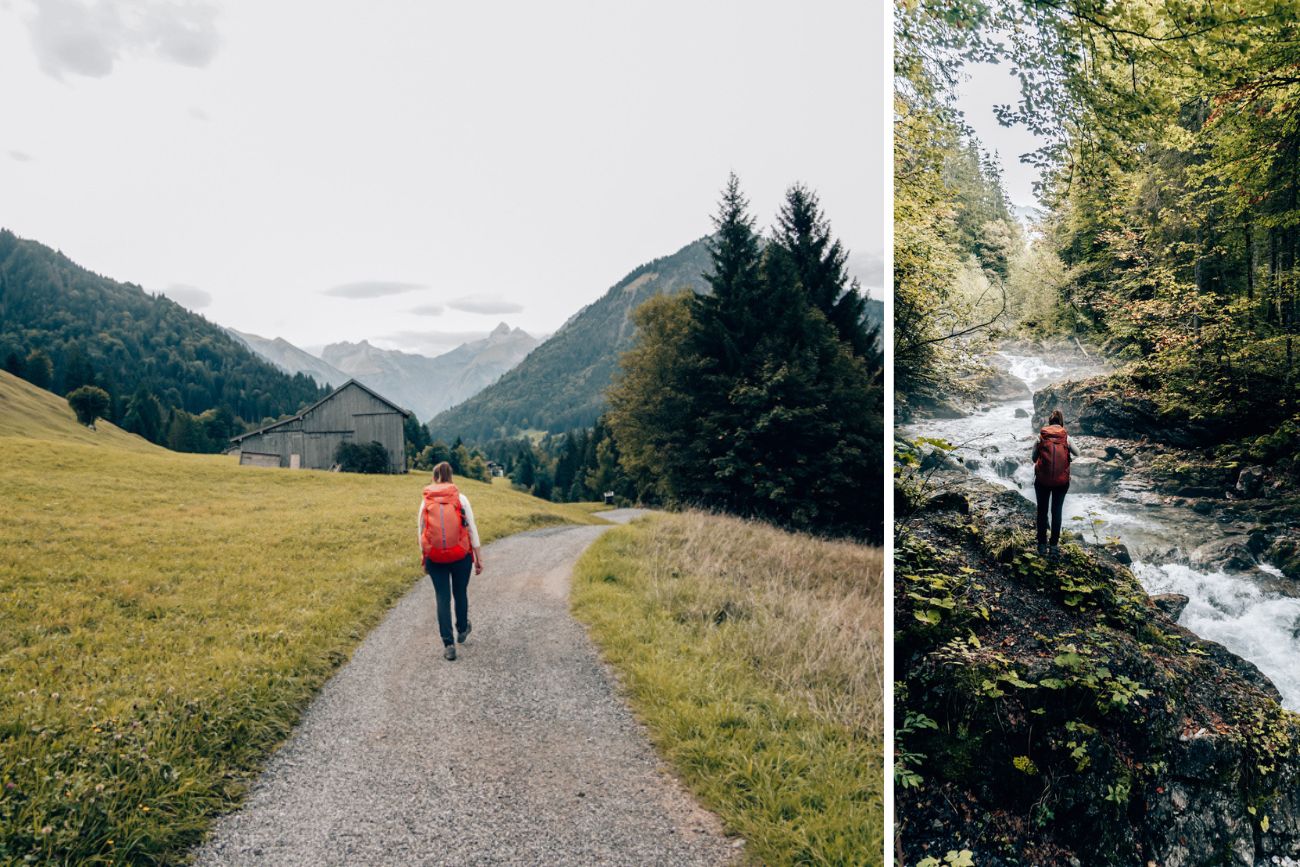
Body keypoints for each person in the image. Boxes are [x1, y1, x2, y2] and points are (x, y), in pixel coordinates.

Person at [418, 461, 483, 661]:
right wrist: (478, 557)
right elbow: (471, 528)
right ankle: (462, 629)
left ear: (434, 477)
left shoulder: (426, 500)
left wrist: (424, 556)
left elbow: (421, 530)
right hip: (461, 555)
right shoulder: (460, 498)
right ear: (451, 476)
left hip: (435, 557)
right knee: (460, 592)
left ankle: (448, 645)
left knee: (442, 597)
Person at [1031, 409, 1080, 556]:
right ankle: (1053, 546)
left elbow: (1033, 458)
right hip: (1061, 482)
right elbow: (1078, 453)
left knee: (1042, 511)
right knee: (1056, 512)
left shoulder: (1041, 437)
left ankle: (1041, 545)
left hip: (1042, 481)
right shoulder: (1066, 437)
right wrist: (1068, 458)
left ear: (1049, 422)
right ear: (1061, 422)